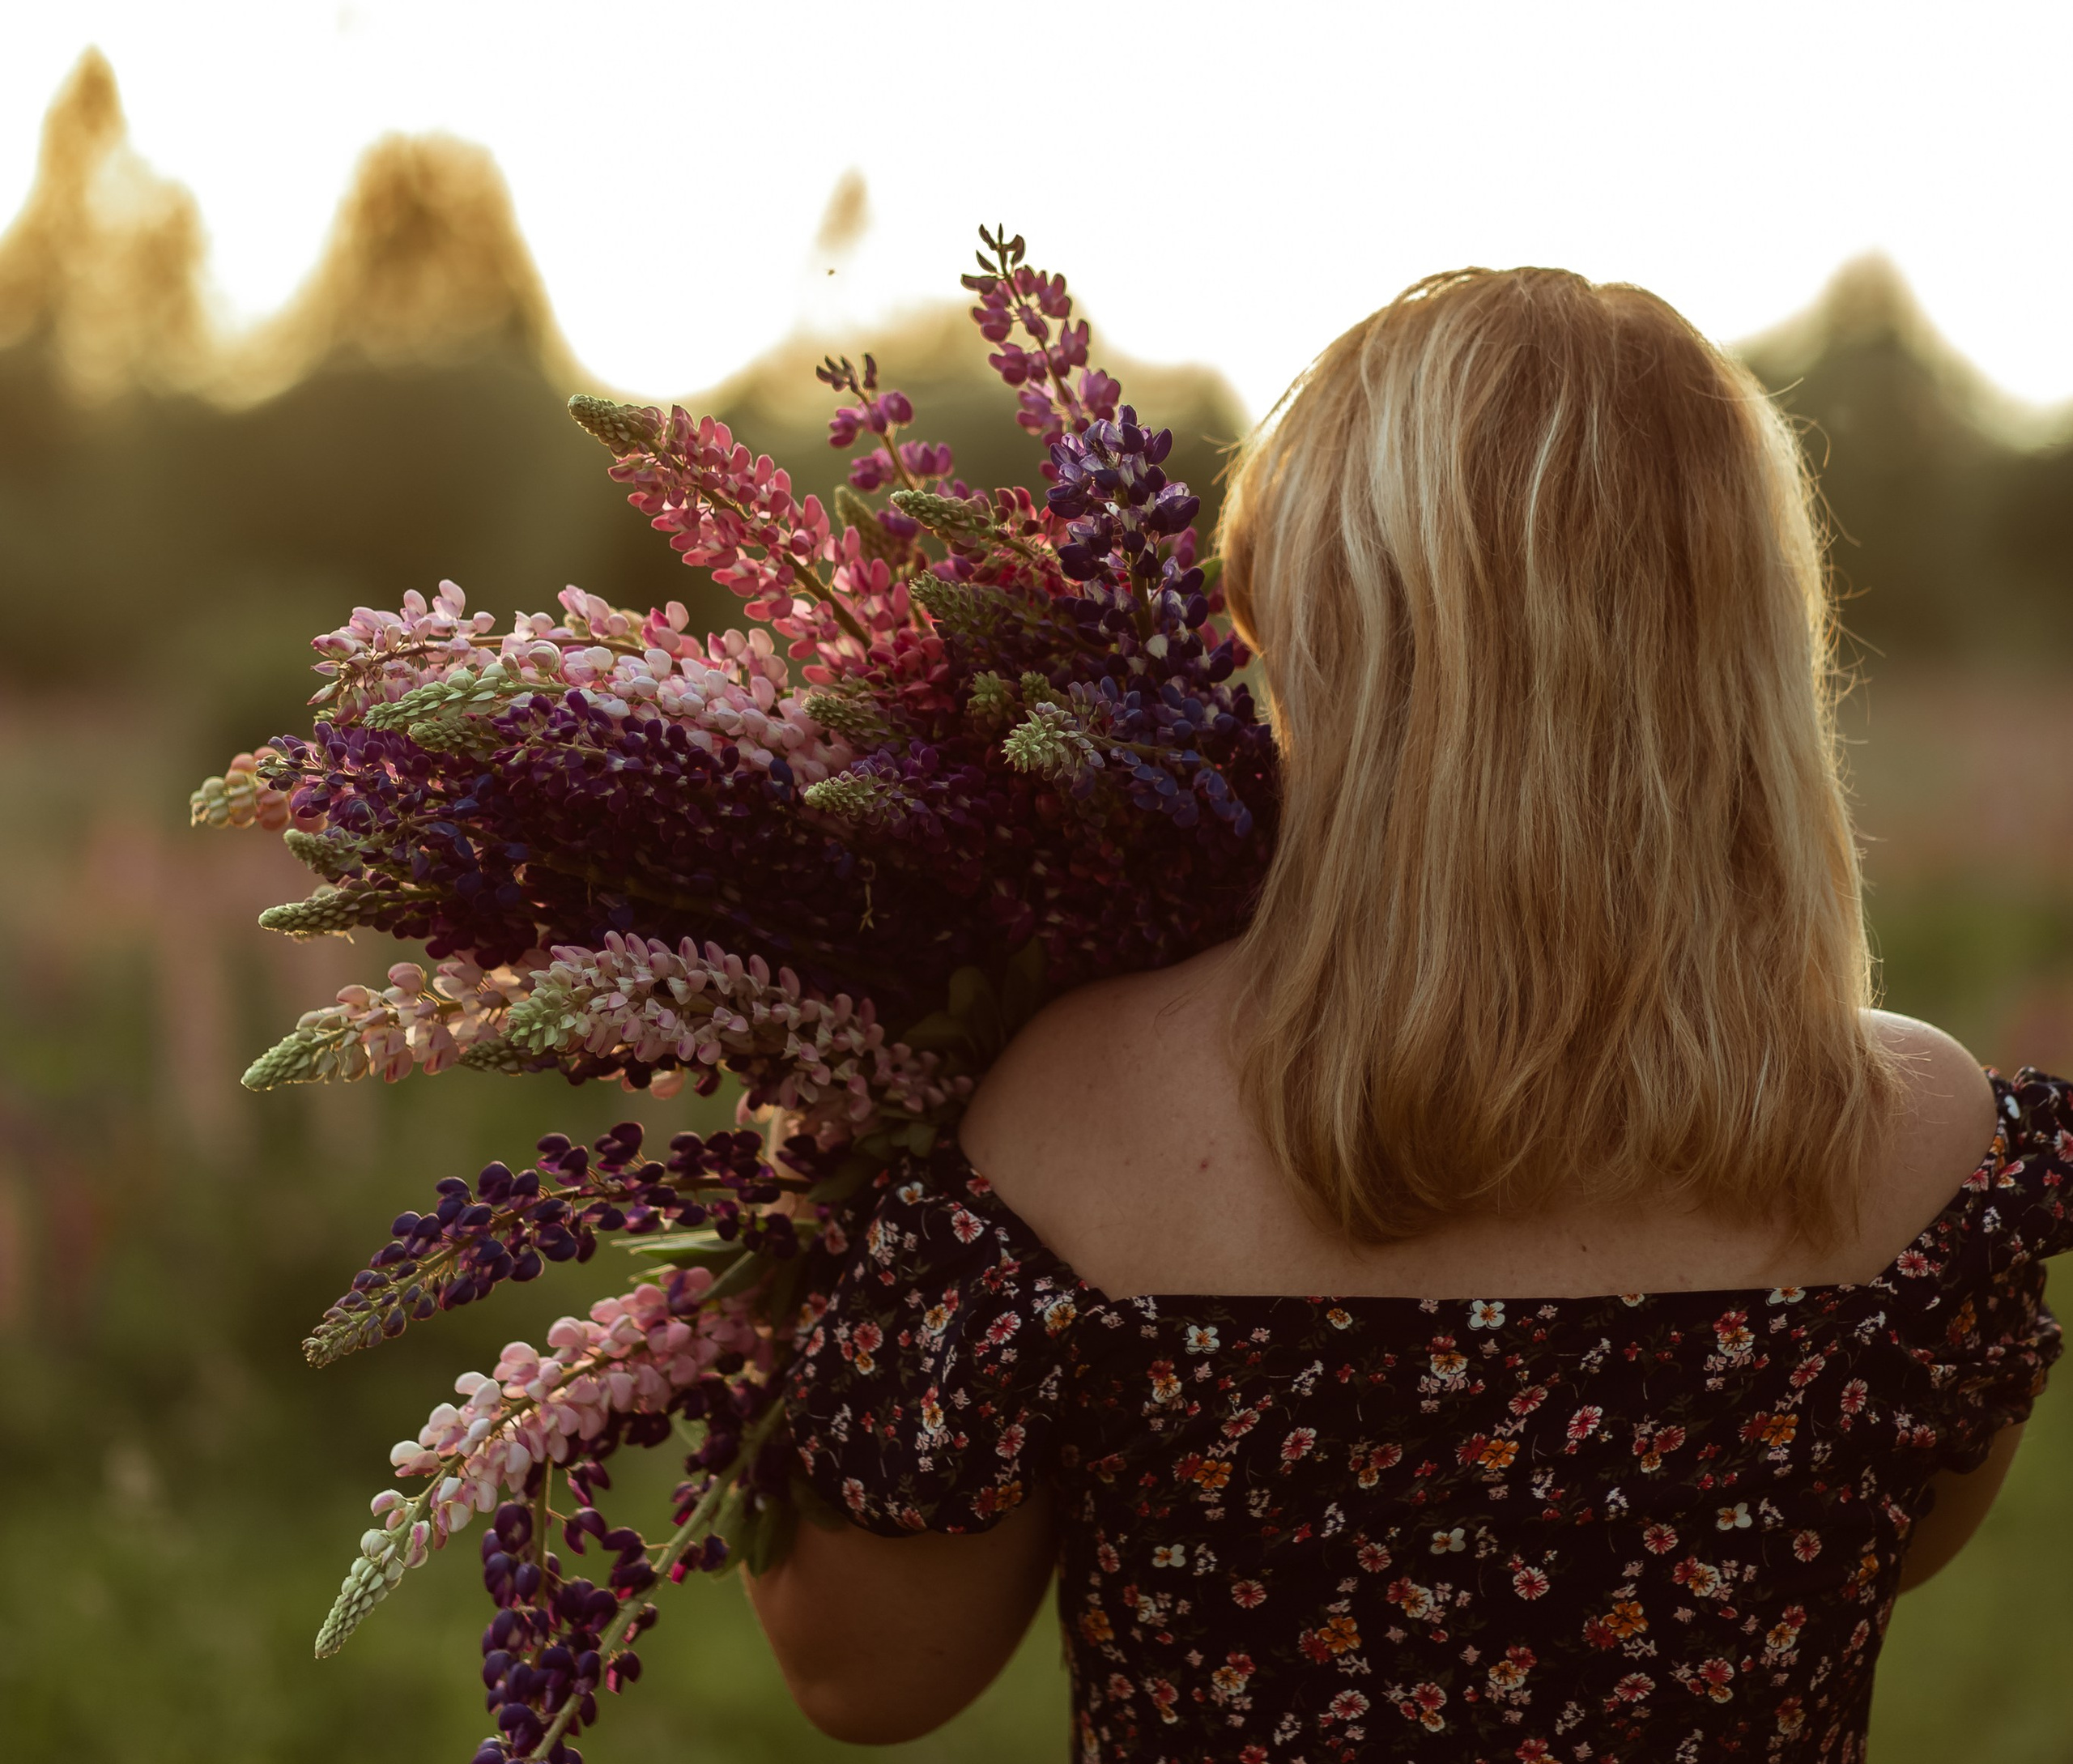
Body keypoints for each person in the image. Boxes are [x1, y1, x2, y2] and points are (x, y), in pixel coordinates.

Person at [744, 267, 2069, 1760]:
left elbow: (865, 1675)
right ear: (1748, 647)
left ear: (1330, 633)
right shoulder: (1927, 1150)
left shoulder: (1079, 1114)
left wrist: (803, 1200)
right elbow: (1903, 1549)